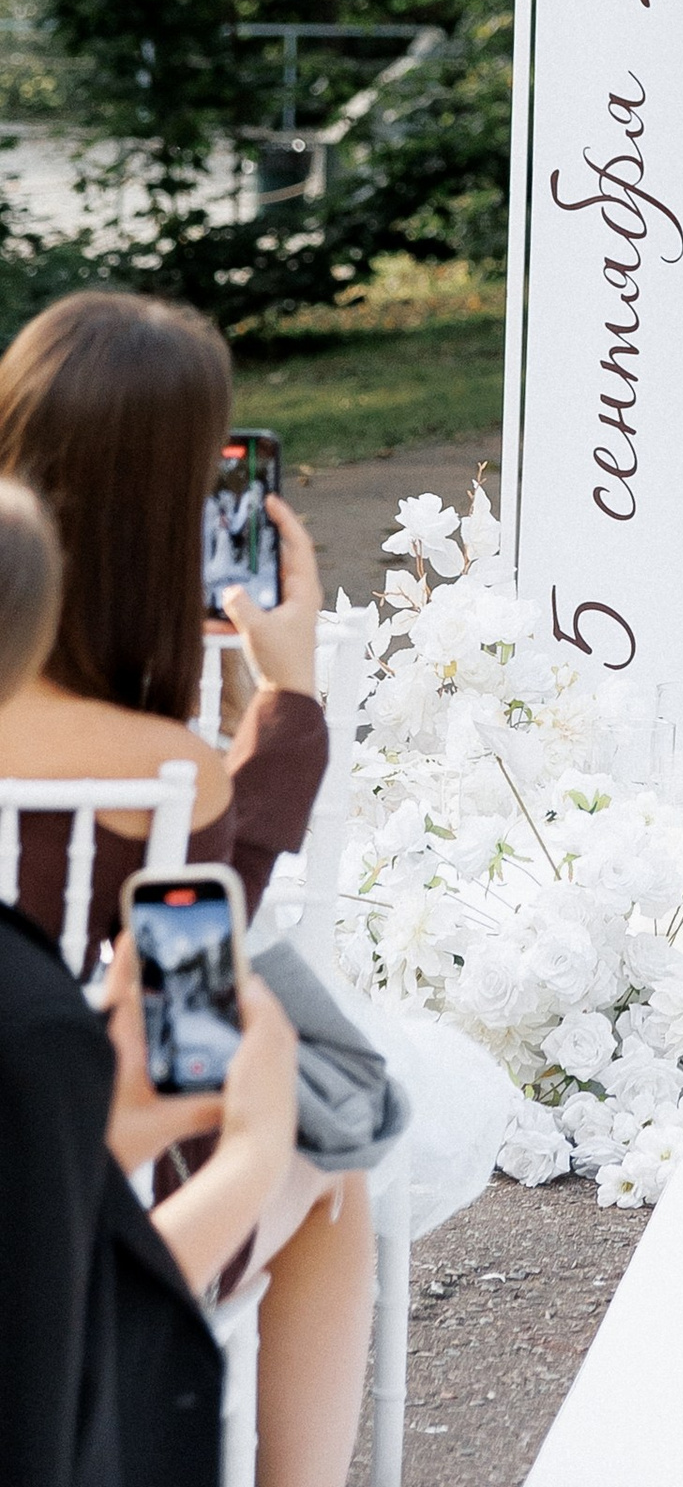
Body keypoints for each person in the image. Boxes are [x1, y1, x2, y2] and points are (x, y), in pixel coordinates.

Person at [0, 294, 374, 1487]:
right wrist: (287, 702)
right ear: (166, 523)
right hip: (85, 1202)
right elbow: (192, 1030)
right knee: (331, 1186)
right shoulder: (166, 770)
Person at [0, 470, 307, 1487]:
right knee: (336, 1161)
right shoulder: (29, 1028)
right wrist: (251, 1154)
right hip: (114, 1164)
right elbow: (46, 1358)